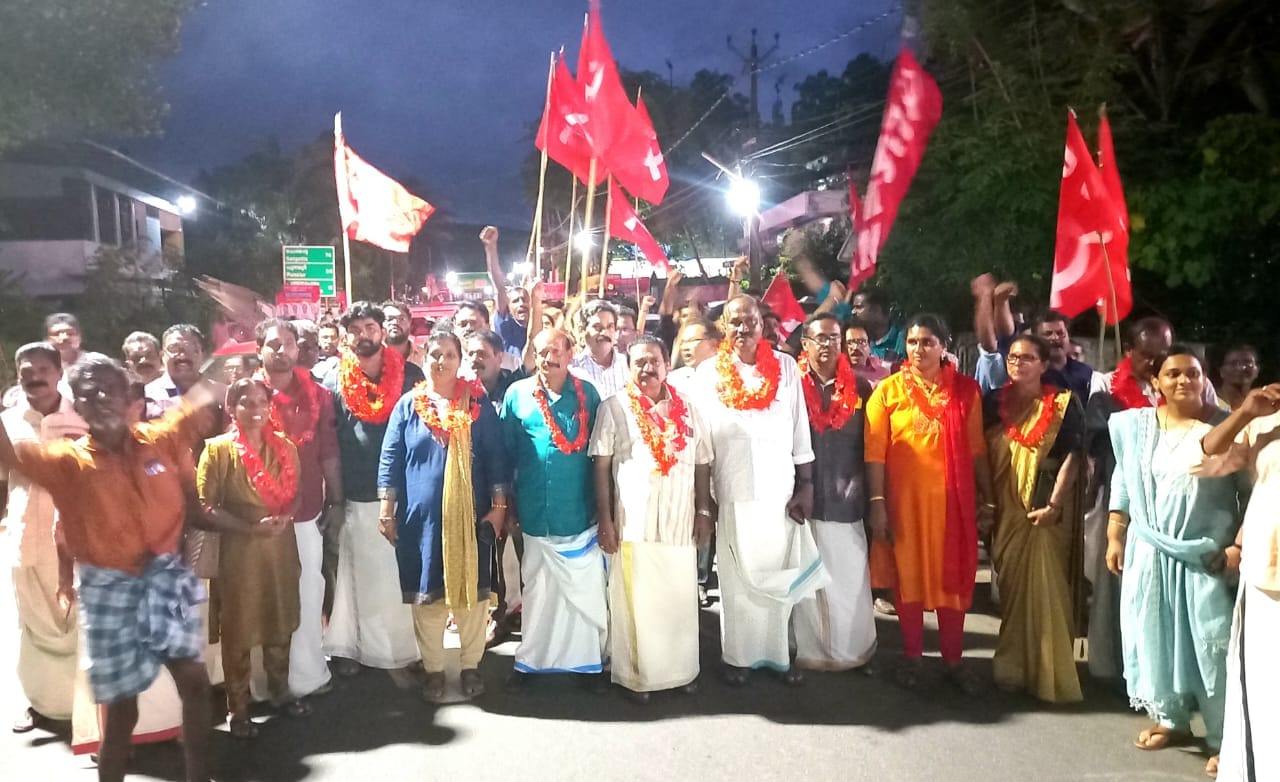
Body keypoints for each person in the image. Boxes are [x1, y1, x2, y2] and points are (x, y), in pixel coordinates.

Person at [0, 354, 221, 782]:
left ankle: (199, 776)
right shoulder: (65, 463)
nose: (100, 397)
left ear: (128, 398)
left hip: (165, 579)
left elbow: (203, 394)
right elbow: (10, 457)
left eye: (109, 389)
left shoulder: (160, 438)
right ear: (77, 405)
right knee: (121, 712)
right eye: (88, 393)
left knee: (195, 685)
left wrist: (228, 352)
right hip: (109, 590)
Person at [1107, 346, 1247, 776]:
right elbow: (1124, 476)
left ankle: (1225, 737)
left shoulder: (1228, 428)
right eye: (1173, 374)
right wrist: (1115, 532)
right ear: (1157, 383)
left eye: (1193, 373)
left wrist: (1238, 547)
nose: (1184, 380)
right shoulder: (1137, 426)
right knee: (1155, 636)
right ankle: (1171, 719)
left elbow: (1254, 491)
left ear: (1205, 379)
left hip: (1204, 556)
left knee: (1211, 647)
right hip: (1149, 552)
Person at [693, 295, 827, 686]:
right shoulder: (708, 373)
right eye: (734, 322)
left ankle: (780, 656)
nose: (742, 329)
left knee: (777, 572)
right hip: (731, 489)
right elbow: (701, 443)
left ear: (762, 324)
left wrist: (806, 486)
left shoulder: (786, 367)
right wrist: (704, 503)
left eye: (749, 321)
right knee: (736, 579)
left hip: (779, 491)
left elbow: (800, 431)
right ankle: (738, 658)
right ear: (724, 327)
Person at [864, 313, 994, 693]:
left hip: (953, 508)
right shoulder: (887, 391)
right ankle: (913, 657)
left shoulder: (966, 392)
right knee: (907, 580)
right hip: (905, 508)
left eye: (927, 342)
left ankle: (954, 661)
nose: (918, 349)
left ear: (944, 346)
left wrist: (989, 499)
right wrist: (877, 503)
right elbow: (875, 453)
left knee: (952, 580)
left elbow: (977, 450)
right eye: (912, 342)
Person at [378, 330, 510, 702]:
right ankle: (434, 670)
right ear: (423, 358)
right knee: (428, 596)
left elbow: (496, 457)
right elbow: (390, 458)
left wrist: (499, 509)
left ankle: (470, 666)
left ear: (459, 360)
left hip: (472, 517)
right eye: (435, 354)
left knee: (473, 597)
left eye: (450, 354)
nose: (442, 361)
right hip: (420, 521)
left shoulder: (476, 404)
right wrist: (387, 510)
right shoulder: (408, 406)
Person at [591, 335, 713, 701]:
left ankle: (681, 672)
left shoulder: (688, 407)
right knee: (637, 606)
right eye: (639, 363)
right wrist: (605, 520)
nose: (647, 369)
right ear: (629, 369)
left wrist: (703, 511)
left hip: (680, 522)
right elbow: (601, 467)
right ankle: (637, 678)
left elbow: (703, 461)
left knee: (678, 602)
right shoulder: (614, 407)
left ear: (667, 366)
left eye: (653, 361)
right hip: (633, 524)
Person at [197, 378, 309, 738]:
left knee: (281, 615)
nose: (256, 409)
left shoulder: (285, 447)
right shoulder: (217, 450)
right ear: (231, 408)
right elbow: (206, 507)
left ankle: (280, 691)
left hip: (279, 546)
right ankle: (239, 709)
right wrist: (248, 528)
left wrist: (285, 517)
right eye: (246, 402)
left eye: (262, 401)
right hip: (240, 551)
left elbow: (296, 493)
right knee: (239, 628)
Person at [321, 302, 425, 675]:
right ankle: (357, 648)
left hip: (406, 495)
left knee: (401, 575)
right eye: (354, 330)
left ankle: (410, 651)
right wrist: (335, 500)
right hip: (358, 494)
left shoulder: (411, 375)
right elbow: (330, 446)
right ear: (345, 336)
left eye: (369, 327)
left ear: (382, 331)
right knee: (361, 578)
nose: (362, 335)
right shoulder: (333, 380)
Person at [500, 328, 606, 690]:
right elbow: (506, 455)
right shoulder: (517, 394)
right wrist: (507, 505)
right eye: (542, 352)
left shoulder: (588, 394)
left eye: (557, 351)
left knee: (581, 593)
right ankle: (530, 663)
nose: (550, 358)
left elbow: (600, 455)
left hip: (578, 512)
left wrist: (603, 507)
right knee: (538, 591)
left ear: (571, 353)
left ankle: (587, 666)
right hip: (534, 511)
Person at [982, 335, 1085, 703]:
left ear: (1043, 364)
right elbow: (980, 453)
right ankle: (1013, 667)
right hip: (1005, 509)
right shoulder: (993, 401)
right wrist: (985, 502)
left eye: (1027, 358)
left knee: (1045, 586)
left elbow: (1074, 456)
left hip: (1046, 511)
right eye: (1013, 357)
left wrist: (1054, 505)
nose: (1018, 363)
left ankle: (1048, 674)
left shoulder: (1063, 404)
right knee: (1012, 590)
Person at [1083, 317, 1174, 683]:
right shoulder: (1106, 386)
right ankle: (1116, 668)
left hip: (1169, 502)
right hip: (1122, 497)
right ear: (1129, 350)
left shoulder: (1182, 381)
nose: (1153, 362)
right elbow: (1097, 440)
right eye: (1146, 355)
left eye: (1161, 354)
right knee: (1118, 585)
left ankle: (1160, 672)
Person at [253, 319, 339, 702]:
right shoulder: (247, 395)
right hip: (258, 518)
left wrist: (336, 499)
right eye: (273, 344)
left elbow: (329, 452)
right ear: (258, 350)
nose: (281, 350)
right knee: (262, 596)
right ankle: (264, 684)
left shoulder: (318, 395)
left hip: (306, 511)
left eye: (288, 343)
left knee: (308, 590)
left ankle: (307, 674)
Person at [3, 343, 87, 732]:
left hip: (74, 538)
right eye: (26, 372)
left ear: (58, 373)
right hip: (26, 536)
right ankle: (40, 704)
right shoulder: (7, 422)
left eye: (42, 370)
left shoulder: (82, 417)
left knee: (78, 622)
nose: (34, 377)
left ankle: (85, 707)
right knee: (33, 623)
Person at [1200, 382, 1280, 781]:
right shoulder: (1267, 415)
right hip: (1266, 571)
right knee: (1265, 686)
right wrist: (1246, 412)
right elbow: (1210, 453)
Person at [792, 314, 877, 672]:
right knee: (808, 581)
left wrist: (871, 495)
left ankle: (854, 650)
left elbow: (871, 445)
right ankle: (810, 650)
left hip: (847, 497)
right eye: (820, 338)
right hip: (804, 499)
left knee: (850, 578)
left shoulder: (861, 386)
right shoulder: (792, 385)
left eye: (834, 338)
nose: (827, 345)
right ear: (805, 344)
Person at [481, 226, 533, 356]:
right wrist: (491, 247)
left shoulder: (538, 327)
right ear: (507, 307)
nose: (521, 303)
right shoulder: (505, 325)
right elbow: (499, 287)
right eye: (515, 301)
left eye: (525, 300)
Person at [146, 324, 209, 420]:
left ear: (202, 355)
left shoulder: (221, 393)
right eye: (174, 349)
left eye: (190, 348)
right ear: (162, 356)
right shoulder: (147, 396)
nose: (183, 356)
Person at [570, 299, 629, 399]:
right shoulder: (573, 368)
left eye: (610, 326)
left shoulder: (627, 365)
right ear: (582, 330)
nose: (604, 333)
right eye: (597, 327)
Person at [850, 288, 905, 363]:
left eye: (859, 307)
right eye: (853, 307)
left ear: (876, 309)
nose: (853, 312)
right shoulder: (852, 338)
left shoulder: (903, 339)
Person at [844, 321, 891, 387]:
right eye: (850, 342)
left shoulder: (883, 374)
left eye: (861, 342)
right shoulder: (836, 372)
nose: (855, 347)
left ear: (869, 346)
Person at [1215, 345, 1259, 412]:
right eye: (1233, 363)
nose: (1241, 368)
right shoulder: (1211, 403)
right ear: (1221, 371)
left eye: (1248, 362)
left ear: (1257, 370)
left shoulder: (1262, 404)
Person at [382, 301, 424, 367]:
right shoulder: (372, 357)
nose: (395, 322)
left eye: (401, 319)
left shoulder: (424, 356)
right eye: (389, 319)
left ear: (410, 322)